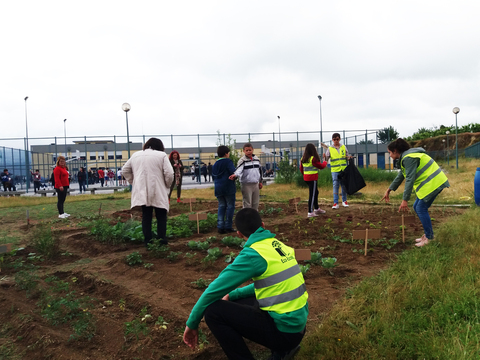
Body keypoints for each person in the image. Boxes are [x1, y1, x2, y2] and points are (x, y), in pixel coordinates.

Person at [183, 208, 308, 360]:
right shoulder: (278, 245)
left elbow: (213, 290)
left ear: (239, 234)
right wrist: (233, 294)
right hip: (298, 327)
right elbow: (271, 284)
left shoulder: (253, 254)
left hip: (285, 334)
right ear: (263, 225)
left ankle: (277, 350)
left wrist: (192, 324)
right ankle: (283, 352)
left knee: (213, 312)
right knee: (236, 300)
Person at [381, 138, 450, 247]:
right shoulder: (407, 156)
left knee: (420, 208)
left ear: (395, 151)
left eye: (389, 152)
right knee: (417, 206)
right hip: (432, 183)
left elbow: (409, 179)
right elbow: (401, 175)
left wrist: (404, 200)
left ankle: (430, 238)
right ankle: (428, 234)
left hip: (434, 183)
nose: (389, 155)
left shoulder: (409, 158)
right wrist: (389, 190)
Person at [122, 138, 174, 248]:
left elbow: (125, 170)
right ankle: (162, 241)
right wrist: (166, 185)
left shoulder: (136, 155)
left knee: (146, 216)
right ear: (160, 146)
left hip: (142, 191)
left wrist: (134, 182)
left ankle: (148, 242)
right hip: (157, 190)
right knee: (161, 216)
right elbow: (169, 173)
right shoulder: (162, 155)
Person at [229, 143, 263, 211]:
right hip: (246, 185)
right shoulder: (242, 161)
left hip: (255, 184)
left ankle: (254, 219)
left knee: (255, 203)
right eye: (246, 150)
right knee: (247, 203)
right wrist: (235, 175)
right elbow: (239, 170)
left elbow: (260, 171)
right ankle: (247, 219)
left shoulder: (256, 159)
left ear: (253, 150)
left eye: (250, 150)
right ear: (244, 151)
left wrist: (260, 181)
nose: (248, 152)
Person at [212, 145, 236, 234]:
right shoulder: (228, 161)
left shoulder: (215, 164)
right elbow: (233, 172)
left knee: (221, 206)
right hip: (228, 187)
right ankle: (228, 226)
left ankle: (220, 226)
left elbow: (213, 176)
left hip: (218, 188)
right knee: (230, 206)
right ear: (226, 153)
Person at [323, 133, 350, 209]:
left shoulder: (344, 147)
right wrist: (324, 158)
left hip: (343, 170)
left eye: (337, 139)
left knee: (344, 185)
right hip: (335, 170)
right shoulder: (330, 149)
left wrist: (349, 158)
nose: (336, 141)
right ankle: (335, 203)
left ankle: (344, 201)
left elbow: (347, 157)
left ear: (340, 139)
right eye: (334, 139)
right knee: (335, 186)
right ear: (332, 140)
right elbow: (326, 159)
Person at [300, 143, 328, 218]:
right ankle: (310, 212)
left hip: (306, 178)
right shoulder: (313, 159)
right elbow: (321, 166)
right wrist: (325, 162)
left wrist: (305, 175)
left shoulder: (303, 159)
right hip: (312, 178)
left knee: (315, 192)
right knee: (312, 195)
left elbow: (301, 169)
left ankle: (316, 208)